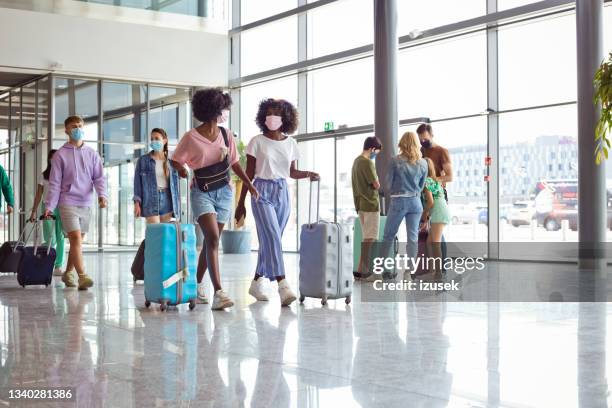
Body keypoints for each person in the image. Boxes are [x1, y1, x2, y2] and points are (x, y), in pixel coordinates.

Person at [171, 88, 258, 311]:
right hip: (202, 192)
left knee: (212, 242)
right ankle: (219, 292)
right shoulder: (191, 137)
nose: (225, 112)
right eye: (222, 108)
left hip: (224, 192)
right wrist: (181, 169)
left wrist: (249, 184)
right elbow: (175, 160)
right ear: (212, 109)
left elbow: (235, 163)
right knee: (212, 238)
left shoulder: (226, 134)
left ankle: (198, 284)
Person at [235, 98, 319, 307]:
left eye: (276, 113)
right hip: (260, 191)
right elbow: (249, 173)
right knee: (272, 236)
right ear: (263, 117)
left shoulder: (291, 143)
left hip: (283, 193)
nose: (271, 117)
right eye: (268, 113)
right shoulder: (257, 141)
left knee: (271, 241)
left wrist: (309, 173)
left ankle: (256, 282)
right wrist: (241, 203)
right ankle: (283, 285)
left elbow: (292, 172)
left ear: (285, 117)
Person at [44, 116, 107, 290]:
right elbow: (55, 183)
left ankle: (67, 273)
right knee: (75, 238)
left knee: (77, 242)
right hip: (67, 201)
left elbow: (99, 177)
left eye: (80, 126)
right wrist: (49, 206)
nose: (77, 129)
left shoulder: (92, 154)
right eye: (73, 126)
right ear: (66, 130)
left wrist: (102, 195)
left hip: (86, 202)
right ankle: (82, 276)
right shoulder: (59, 155)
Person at [374, 131, 427, 279]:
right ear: (417, 143)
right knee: (413, 238)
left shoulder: (395, 161)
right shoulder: (423, 163)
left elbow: (388, 183)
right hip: (416, 202)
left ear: (402, 143)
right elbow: (422, 185)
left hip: (399, 201)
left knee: (388, 236)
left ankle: (379, 271)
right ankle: (409, 272)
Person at [417, 123, 452, 267]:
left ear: (431, 135)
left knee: (437, 234)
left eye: (425, 139)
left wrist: (432, 181)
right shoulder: (421, 151)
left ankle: (441, 268)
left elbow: (449, 176)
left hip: (436, 194)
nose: (423, 142)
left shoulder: (441, 151)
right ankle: (432, 268)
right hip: (424, 194)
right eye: (420, 139)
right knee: (430, 236)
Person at [133, 128, 180, 224]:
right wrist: (137, 203)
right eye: (152, 139)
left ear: (165, 141)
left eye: (157, 138)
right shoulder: (143, 160)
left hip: (168, 199)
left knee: (163, 234)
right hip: (150, 199)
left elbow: (177, 183)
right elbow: (137, 184)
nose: (154, 141)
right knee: (155, 233)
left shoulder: (172, 161)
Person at [29, 149, 65, 276]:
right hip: (48, 208)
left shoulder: (63, 174)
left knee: (60, 237)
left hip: (62, 207)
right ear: (49, 160)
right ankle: (45, 262)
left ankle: (58, 266)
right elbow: (38, 194)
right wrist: (33, 211)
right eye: (52, 157)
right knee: (50, 237)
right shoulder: (43, 175)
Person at [351, 136, 382, 279]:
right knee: (370, 239)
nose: (376, 155)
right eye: (376, 152)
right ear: (372, 149)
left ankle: (359, 269)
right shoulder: (367, 162)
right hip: (370, 204)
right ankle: (365, 270)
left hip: (361, 205)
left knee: (366, 238)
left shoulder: (356, 162)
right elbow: (376, 184)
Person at [421, 158, 451, 278]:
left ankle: (438, 274)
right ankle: (432, 271)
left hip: (438, 212)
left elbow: (431, 203)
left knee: (435, 243)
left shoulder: (427, 182)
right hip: (441, 211)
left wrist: (424, 214)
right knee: (429, 242)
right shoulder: (435, 180)